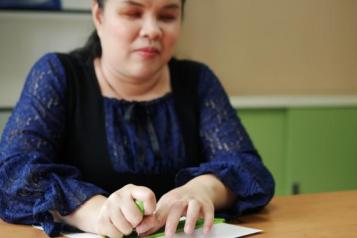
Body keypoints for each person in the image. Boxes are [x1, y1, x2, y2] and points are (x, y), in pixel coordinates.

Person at [0, 0, 275, 237]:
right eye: (133, 13)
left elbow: (250, 169)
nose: (152, 30)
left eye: (167, 16)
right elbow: (12, 174)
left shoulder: (197, 81)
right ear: (99, 15)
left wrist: (203, 189)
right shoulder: (58, 75)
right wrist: (93, 211)